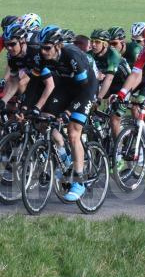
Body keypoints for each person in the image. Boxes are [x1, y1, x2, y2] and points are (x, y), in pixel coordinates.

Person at [30, 26, 98, 201]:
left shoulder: (72, 56)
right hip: (65, 87)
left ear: (58, 46)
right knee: (43, 121)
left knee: (74, 132)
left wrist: (68, 111)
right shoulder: (42, 57)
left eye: (47, 48)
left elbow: (83, 91)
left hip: (86, 89)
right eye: (41, 48)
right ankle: (65, 158)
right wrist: (31, 107)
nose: (43, 52)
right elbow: (34, 84)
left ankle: (79, 180)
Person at [89, 28, 130, 138]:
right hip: (107, 84)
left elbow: (109, 78)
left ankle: (118, 150)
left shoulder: (113, 54)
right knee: (89, 109)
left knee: (114, 119)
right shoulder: (90, 54)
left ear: (105, 45)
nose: (93, 45)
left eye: (97, 42)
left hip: (123, 85)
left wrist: (98, 99)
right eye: (92, 41)